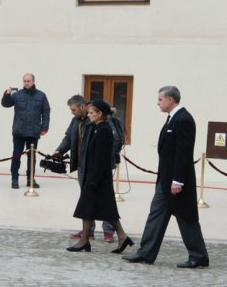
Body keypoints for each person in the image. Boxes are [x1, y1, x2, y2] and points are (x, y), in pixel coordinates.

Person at [123, 87, 209, 268]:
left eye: (160, 99)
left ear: (170, 99)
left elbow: (183, 153)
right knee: (156, 214)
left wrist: (178, 180)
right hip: (165, 181)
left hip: (177, 182)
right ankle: (146, 253)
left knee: (186, 218)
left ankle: (199, 256)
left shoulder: (184, 119)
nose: (158, 103)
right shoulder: (172, 119)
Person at [67, 100, 132, 254]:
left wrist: (94, 179)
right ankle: (122, 237)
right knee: (107, 209)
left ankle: (84, 241)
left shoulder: (104, 130)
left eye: (91, 113)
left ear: (100, 114)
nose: (88, 116)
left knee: (86, 208)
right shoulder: (97, 128)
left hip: (98, 177)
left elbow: (102, 158)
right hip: (95, 175)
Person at [54, 95, 116, 243]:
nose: (72, 112)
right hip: (83, 165)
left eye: (73, 109)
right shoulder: (75, 121)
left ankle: (109, 231)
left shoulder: (97, 119)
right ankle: (88, 231)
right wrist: (59, 151)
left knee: (105, 198)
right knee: (86, 198)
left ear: (82, 106)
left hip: (98, 166)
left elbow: (112, 139)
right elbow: (68, 138)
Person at [1, 73, 50, 189]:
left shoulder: (41, 95)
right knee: (16, 156)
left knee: (31, 157)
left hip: (33, 132)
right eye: (24, 81)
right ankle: (14, 179)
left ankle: (30, 179)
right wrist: (6, 94)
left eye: (28, 81)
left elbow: (46, 112)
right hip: (19, 131)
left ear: (33, 81)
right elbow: (5, 104)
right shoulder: (17, 95)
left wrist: (44, 127)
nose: (26, 83)